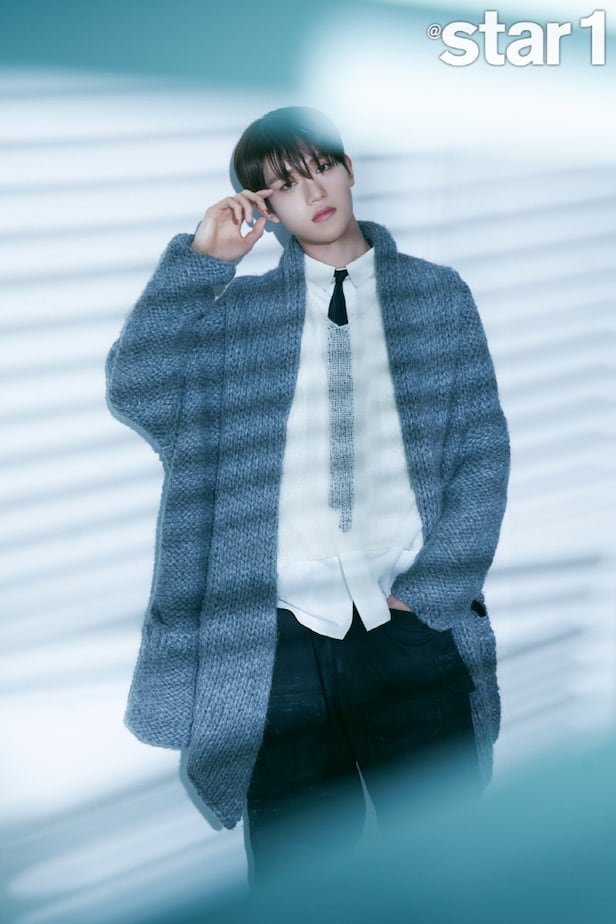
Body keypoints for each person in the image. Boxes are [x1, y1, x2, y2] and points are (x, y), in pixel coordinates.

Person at [105, 106, 510, 881]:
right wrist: (203, 262)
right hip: (279, 640)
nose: (313, 192)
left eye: (321, 168)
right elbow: (138, 389)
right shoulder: (240, 320)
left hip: (408, 625)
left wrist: (431, 593)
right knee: (298, 871)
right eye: (286, 185)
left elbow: (480, 454)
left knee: (445, 856)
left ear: (349, 169)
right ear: (267, 207)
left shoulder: (436, 296)